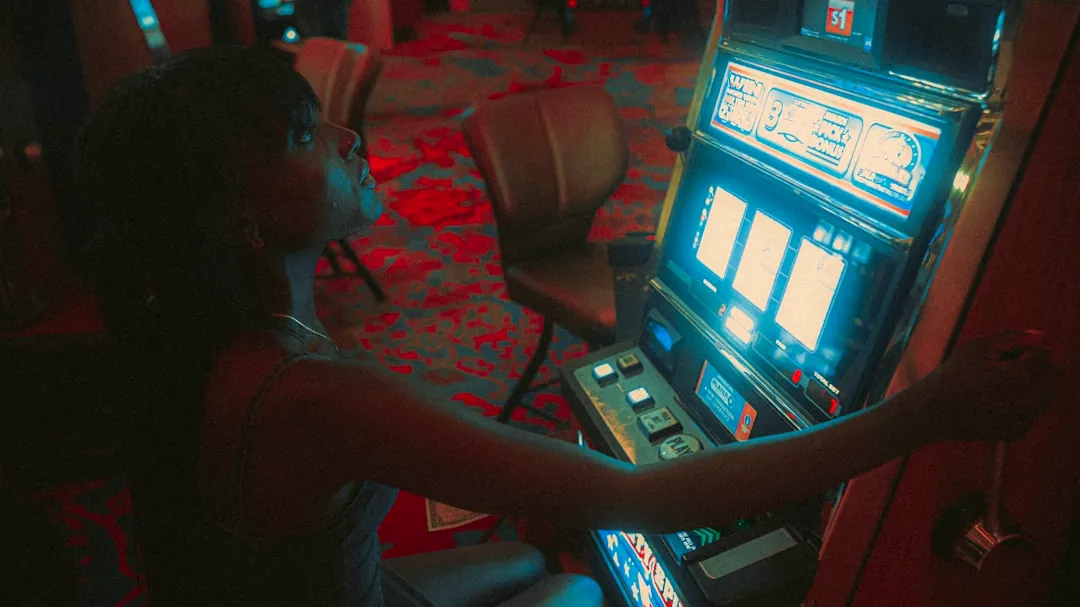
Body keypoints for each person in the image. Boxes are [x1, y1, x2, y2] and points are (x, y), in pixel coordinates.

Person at [74, 46, 1062, 607]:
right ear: (238, 218)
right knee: (583, 593)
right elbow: (638, 493)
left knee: (538, 558)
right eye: (305, 137)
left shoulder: (215, 339)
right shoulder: (309, 395)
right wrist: (922, 412)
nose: (348, 137)